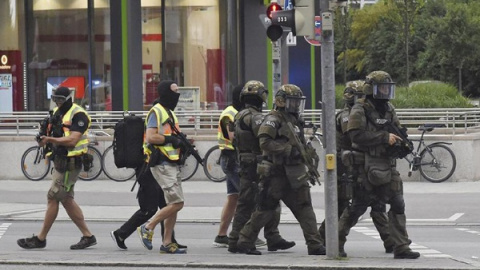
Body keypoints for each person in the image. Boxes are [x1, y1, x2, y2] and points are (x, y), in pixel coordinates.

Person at [236, 84, 326, 255]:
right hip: (277, 175)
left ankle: (314, 244)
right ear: (280, 101)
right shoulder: (273, 119)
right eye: (292, 102)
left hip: (295, 173)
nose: (296, 106)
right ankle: (245, 241)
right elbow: (264, 142)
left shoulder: (294, 120)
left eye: (297, 102)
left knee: (304, 208)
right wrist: (286, 149)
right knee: (265, 209)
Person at [345, 71, 420, 259]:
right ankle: (335, 241)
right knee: (358, 207)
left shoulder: (388, 109)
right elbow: (355, 135)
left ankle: (401, 246)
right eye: (382, 88)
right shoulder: (359, 109)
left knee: (397, 202)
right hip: (365, 165)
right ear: (371, 89)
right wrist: (384, 137)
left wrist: (402, 143)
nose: (386, 92)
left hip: (386, 164)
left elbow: (396, 130)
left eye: (388, 88)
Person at [17, 86, 97, 250]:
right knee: (66, 200)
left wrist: (49, 140)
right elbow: (50, 132)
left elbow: (73, 140)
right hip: (61, 162)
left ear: (68, 99)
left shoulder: (79, 114)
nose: (58, 102)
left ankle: (40, 239)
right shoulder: (57, 112)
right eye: (55, 99)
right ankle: (88, 236)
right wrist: (42, 139)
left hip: (71, 163)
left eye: (61, 99)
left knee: (53, 197)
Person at [321, 81, 393, 257]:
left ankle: (390, 240)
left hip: (365, 163)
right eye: (359, 96)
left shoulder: (366, 112)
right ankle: (325, 238)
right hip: (347, 163)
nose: (363, 99)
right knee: (348, 204)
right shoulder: (347, 115)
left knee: (377, 203)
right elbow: (354, 136)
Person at [228, 81, 294, 254]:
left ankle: (268, 237)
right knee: (259, 200)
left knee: (258, 200)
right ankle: (242, 239)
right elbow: (265, 136)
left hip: (246, 161)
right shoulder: (255, 117)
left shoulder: (240, 114)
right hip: (256, 163)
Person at [111, 99, 186, 251]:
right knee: (149, 209)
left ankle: (169, 240)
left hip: (152, 169)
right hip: (147, 171)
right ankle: (121, 233)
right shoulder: (153, 125)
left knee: (168, 205)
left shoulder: (159, 124)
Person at [136, 80, 187, 254]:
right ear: (165, 92)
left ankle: (167, 243)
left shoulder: (168, 112)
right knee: (178, 203)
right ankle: (148, 227)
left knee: (172, 203)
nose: (177, 95)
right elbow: (151, 137)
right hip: (162, 163)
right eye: (174, 92)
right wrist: (171, 140)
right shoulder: (156, 112)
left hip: (171, 163)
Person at [212, 84, 244, 247]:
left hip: (231, 160)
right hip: (233, 160)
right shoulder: (229, 114)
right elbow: (232, 137)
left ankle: (222, 235)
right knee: (248, 198)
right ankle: (245, 234)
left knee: (233, 198)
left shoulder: (237, 112)